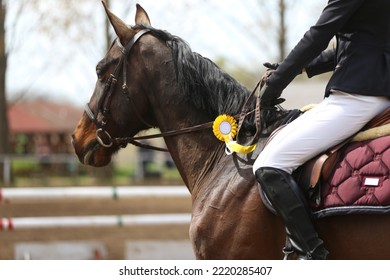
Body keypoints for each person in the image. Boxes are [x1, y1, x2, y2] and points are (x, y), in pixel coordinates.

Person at [253, 0, 390, 260]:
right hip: (379, 91)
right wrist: (301, 66)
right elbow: (364, 42)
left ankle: (313, 257)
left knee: (269, 164)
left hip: (358, 94)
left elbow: (318, 35)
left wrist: (275, 86)